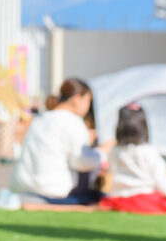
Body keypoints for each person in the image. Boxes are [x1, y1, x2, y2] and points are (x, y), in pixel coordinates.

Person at [8, 77, 107, 206]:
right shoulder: (74, 121)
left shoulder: (41, 118)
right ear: (77, 99)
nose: (88, 107)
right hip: (52, 190)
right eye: (88, 101)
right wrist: (102, 152)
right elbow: (81, 161)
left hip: (22, 186)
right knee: (96, 177)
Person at [99, 103, 166, 214]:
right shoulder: (148, 152)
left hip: (118, 199)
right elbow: (161, 181)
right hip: (143, 200)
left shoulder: (115, 151)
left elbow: (111, 171)